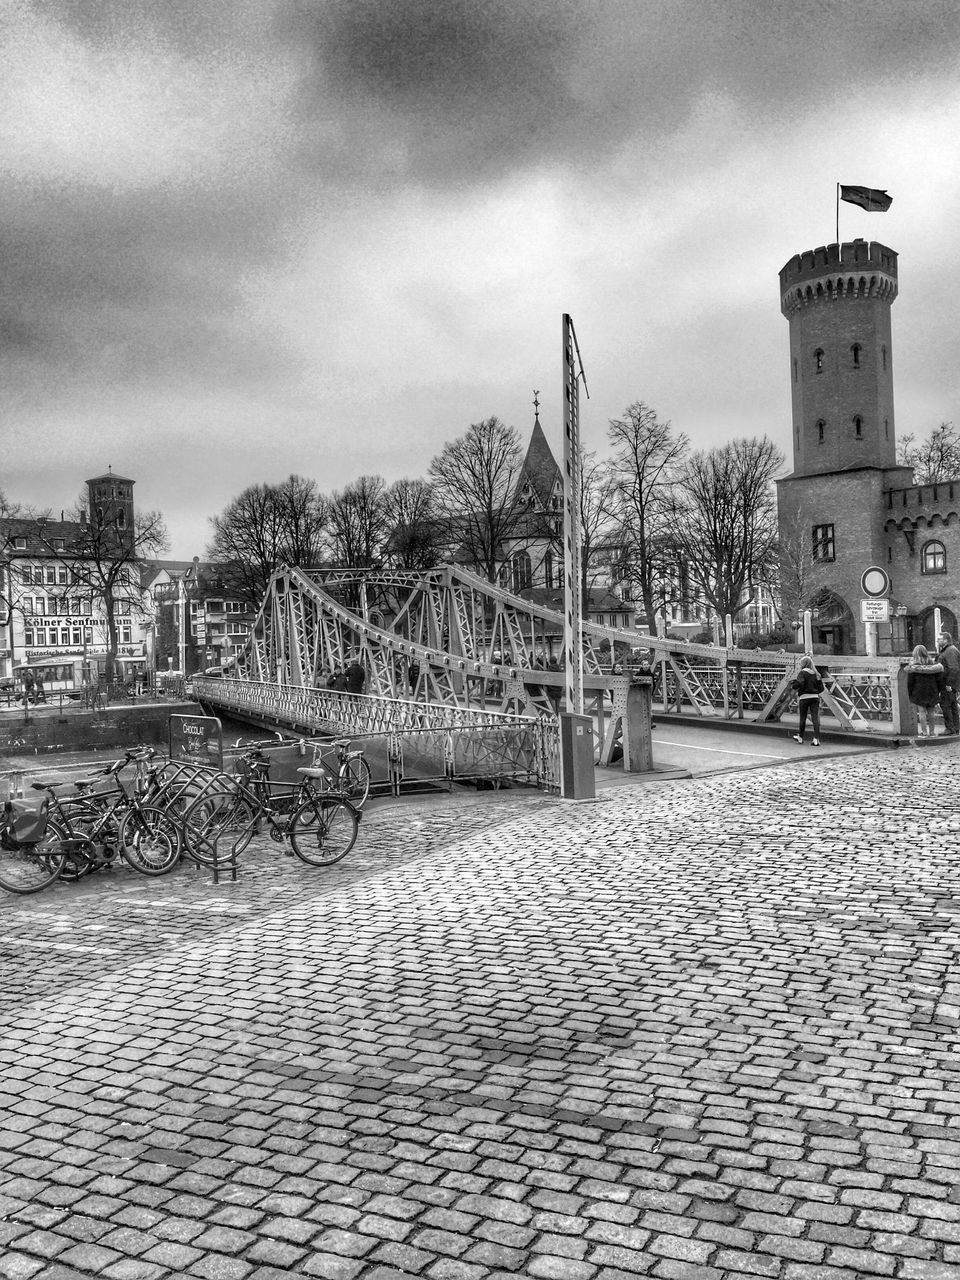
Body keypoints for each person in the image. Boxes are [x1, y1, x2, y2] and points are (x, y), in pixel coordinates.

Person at [906, 644, 944, 738]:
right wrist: (938, 690)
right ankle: (932, 732)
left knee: (922, 712)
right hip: (932, 690)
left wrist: (910, 693)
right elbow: (939, 679)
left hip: (919, 691)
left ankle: (924, 732)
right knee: (931, 712)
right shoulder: (933, 665)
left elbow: (910, 682)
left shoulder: (913, 667)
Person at [791, 654, 824, 746]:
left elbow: (800, 684)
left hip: (804, 698)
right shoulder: (817, 674)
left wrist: (794, 685)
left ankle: (801, 737)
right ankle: (816, 739)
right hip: (815, 697)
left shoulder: (802, 673)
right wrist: (815, 691)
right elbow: (821, 689)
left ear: (803, 664)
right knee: (815, 718)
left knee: (803, 717)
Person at [936, 631, 960, 735]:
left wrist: (949, 684)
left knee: (946, 705)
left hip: (948, 683)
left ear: (945, 640)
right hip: (948, 683)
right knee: (952, 705)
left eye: (939, 639)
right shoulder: (948, 650)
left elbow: (953, 668)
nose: (937, 641)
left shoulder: (950, 651)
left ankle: (950, 728)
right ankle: (955, 727)